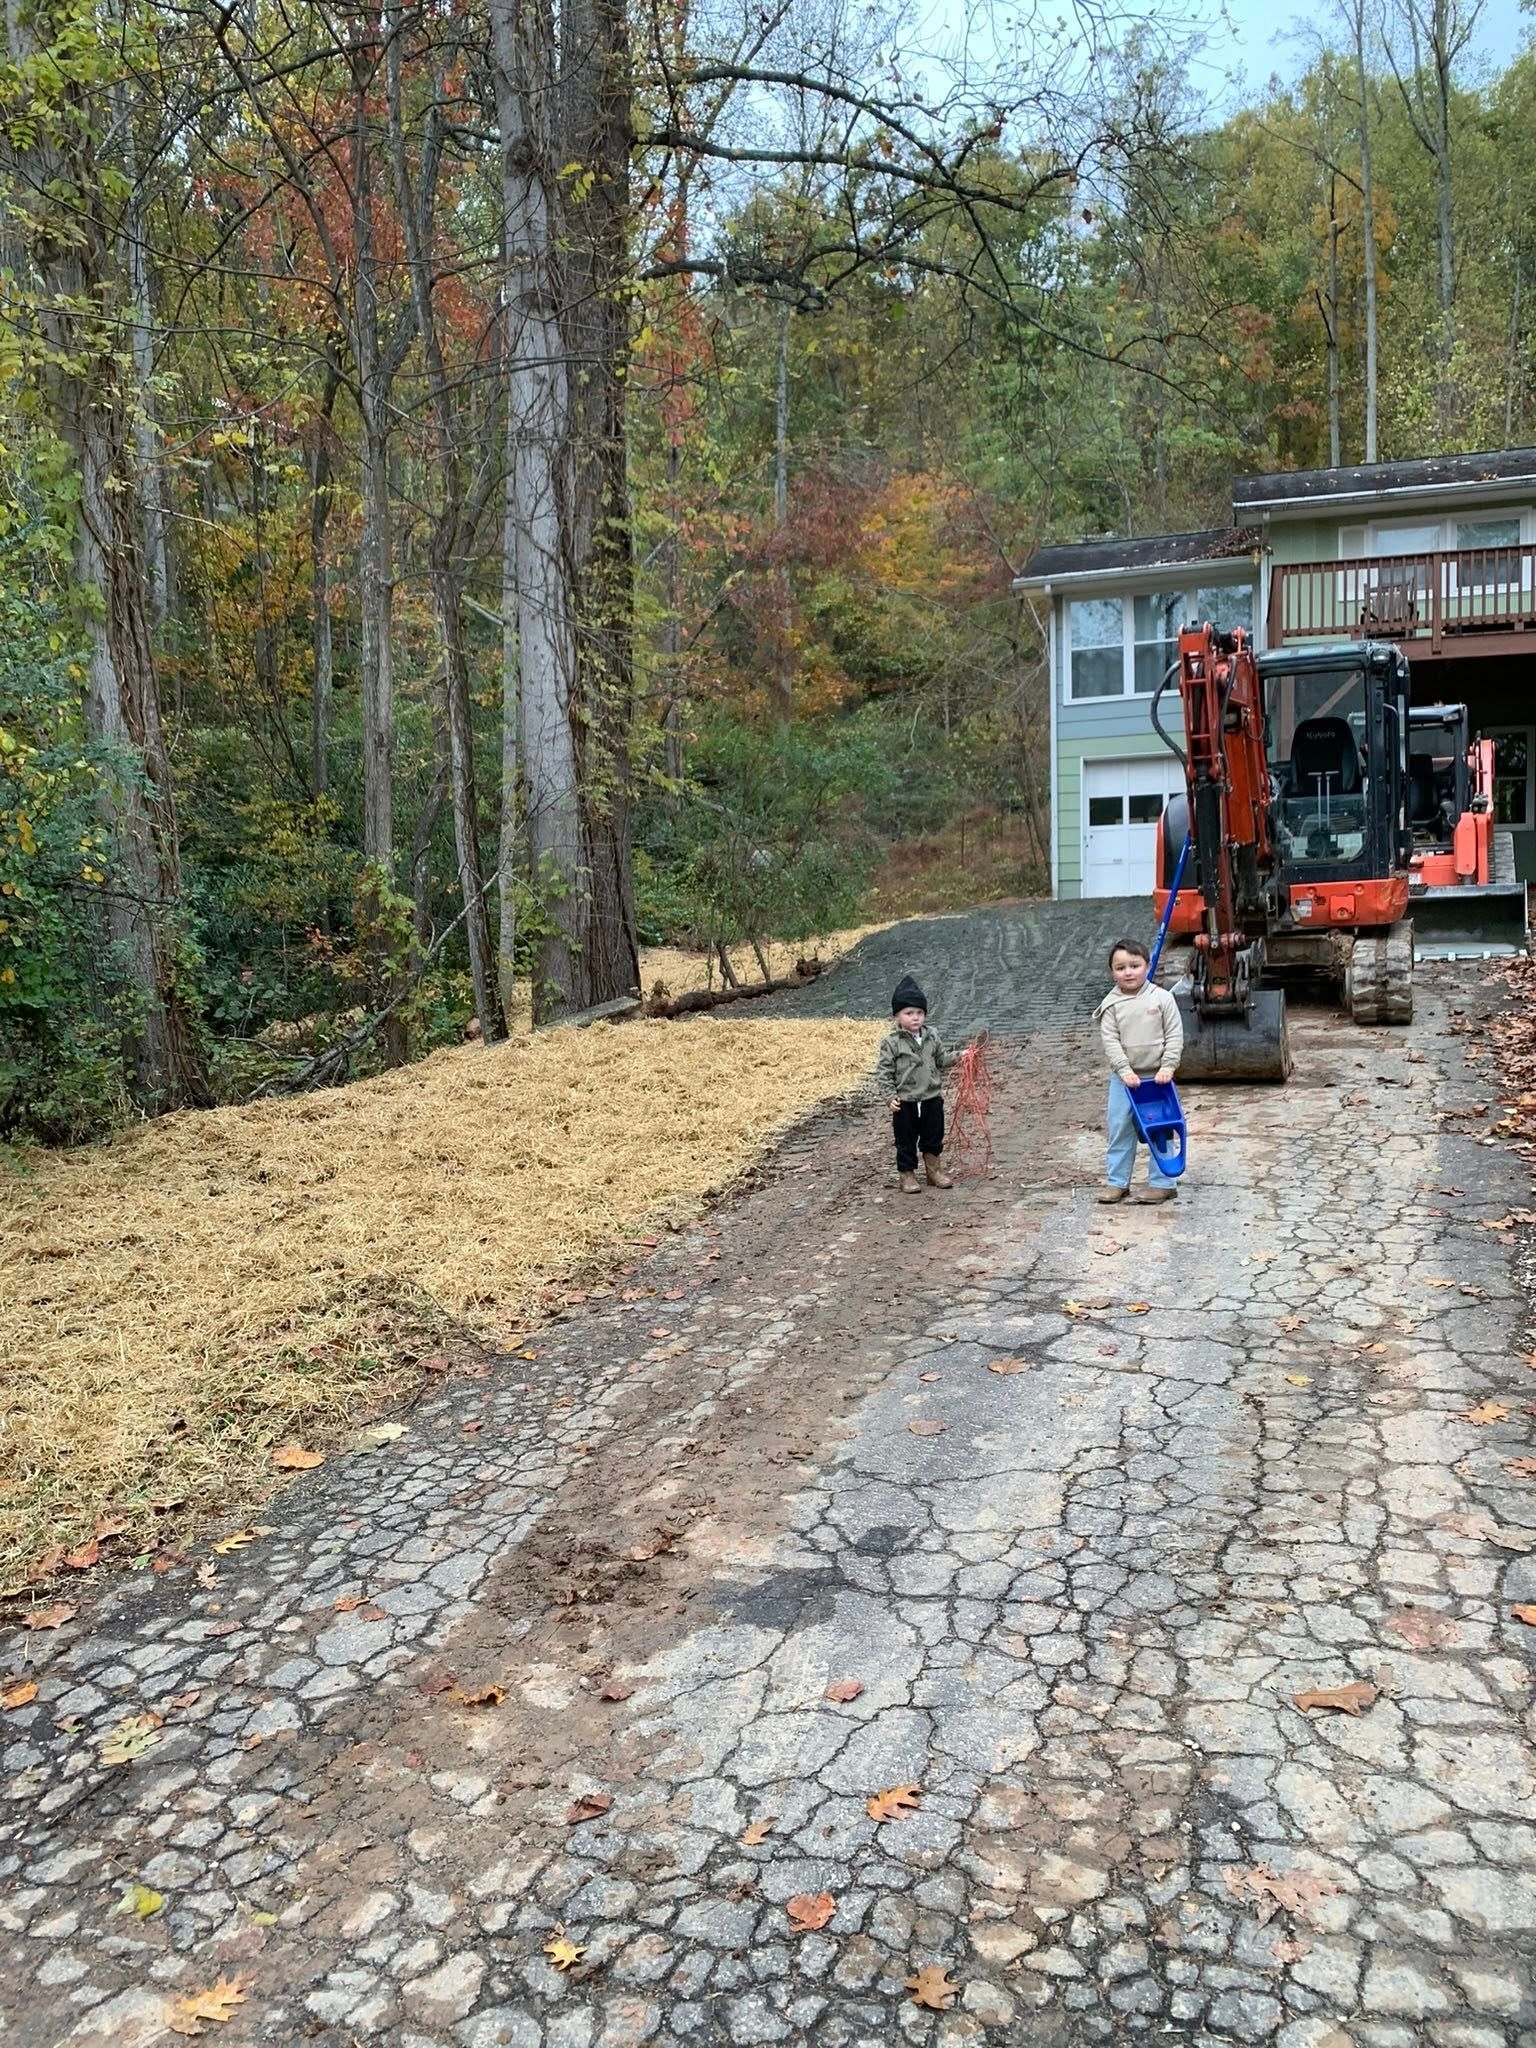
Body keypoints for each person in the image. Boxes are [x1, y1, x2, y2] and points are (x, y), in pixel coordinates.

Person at [1095, 938, 1183, 1206]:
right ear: (1112, 972)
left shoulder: (1162, 998)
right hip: (1125, 1080)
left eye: (1135, 965)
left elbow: (1175, 1035)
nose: (1128, 972)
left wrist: (1168, 1066)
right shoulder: (1111, 1006)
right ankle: (1117, 1182)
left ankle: (1163, 1183)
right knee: (1120, 1127)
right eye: (1120, 968)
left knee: (1161, 1128)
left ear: (1148, 967)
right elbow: (1111, 1042)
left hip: (1158, 1079)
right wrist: (1124, 1071)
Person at [876, 974, 953, 1195]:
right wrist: (890, 1097)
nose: (915, 1018)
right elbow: (884, 1072)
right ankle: (907, 1175)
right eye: (909, 1013)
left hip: (931, 1097)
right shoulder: (891, 1043)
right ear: (897, 1016)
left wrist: (961, 1056)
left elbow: (941, 1060)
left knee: (933, 1136)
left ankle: (934, 1172)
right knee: (905, 1140)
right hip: (905, 1101)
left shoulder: (932, 1036)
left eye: (919, 1013)